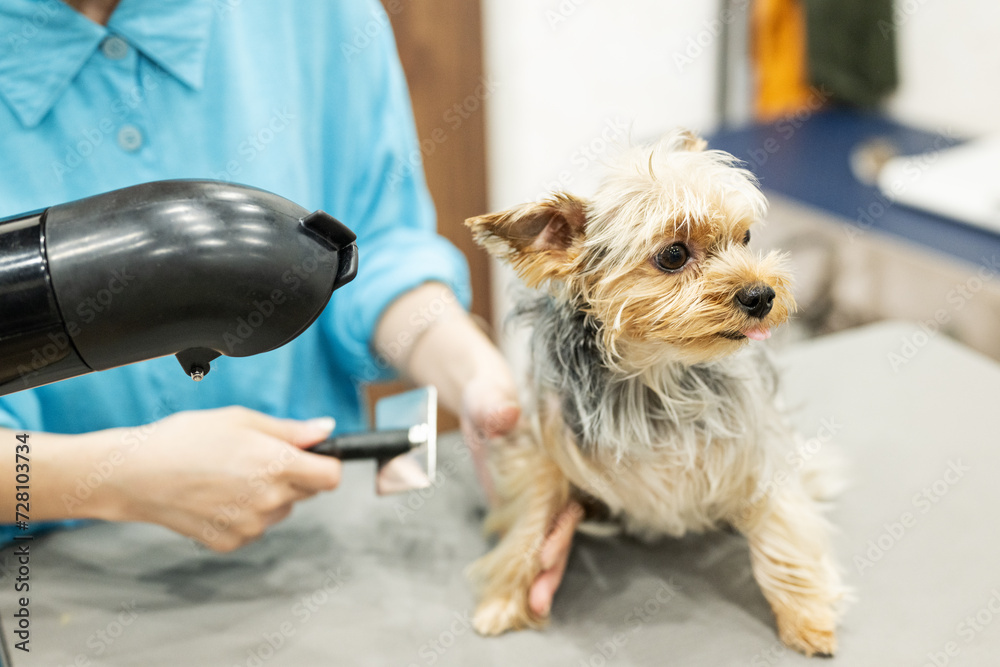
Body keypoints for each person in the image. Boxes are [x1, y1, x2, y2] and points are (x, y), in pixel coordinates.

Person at [0, 0, 577, 618]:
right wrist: (108, 477)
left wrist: (477, 380)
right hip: (51, 591)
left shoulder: (319, 15)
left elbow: (375, 254)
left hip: (319, 561)